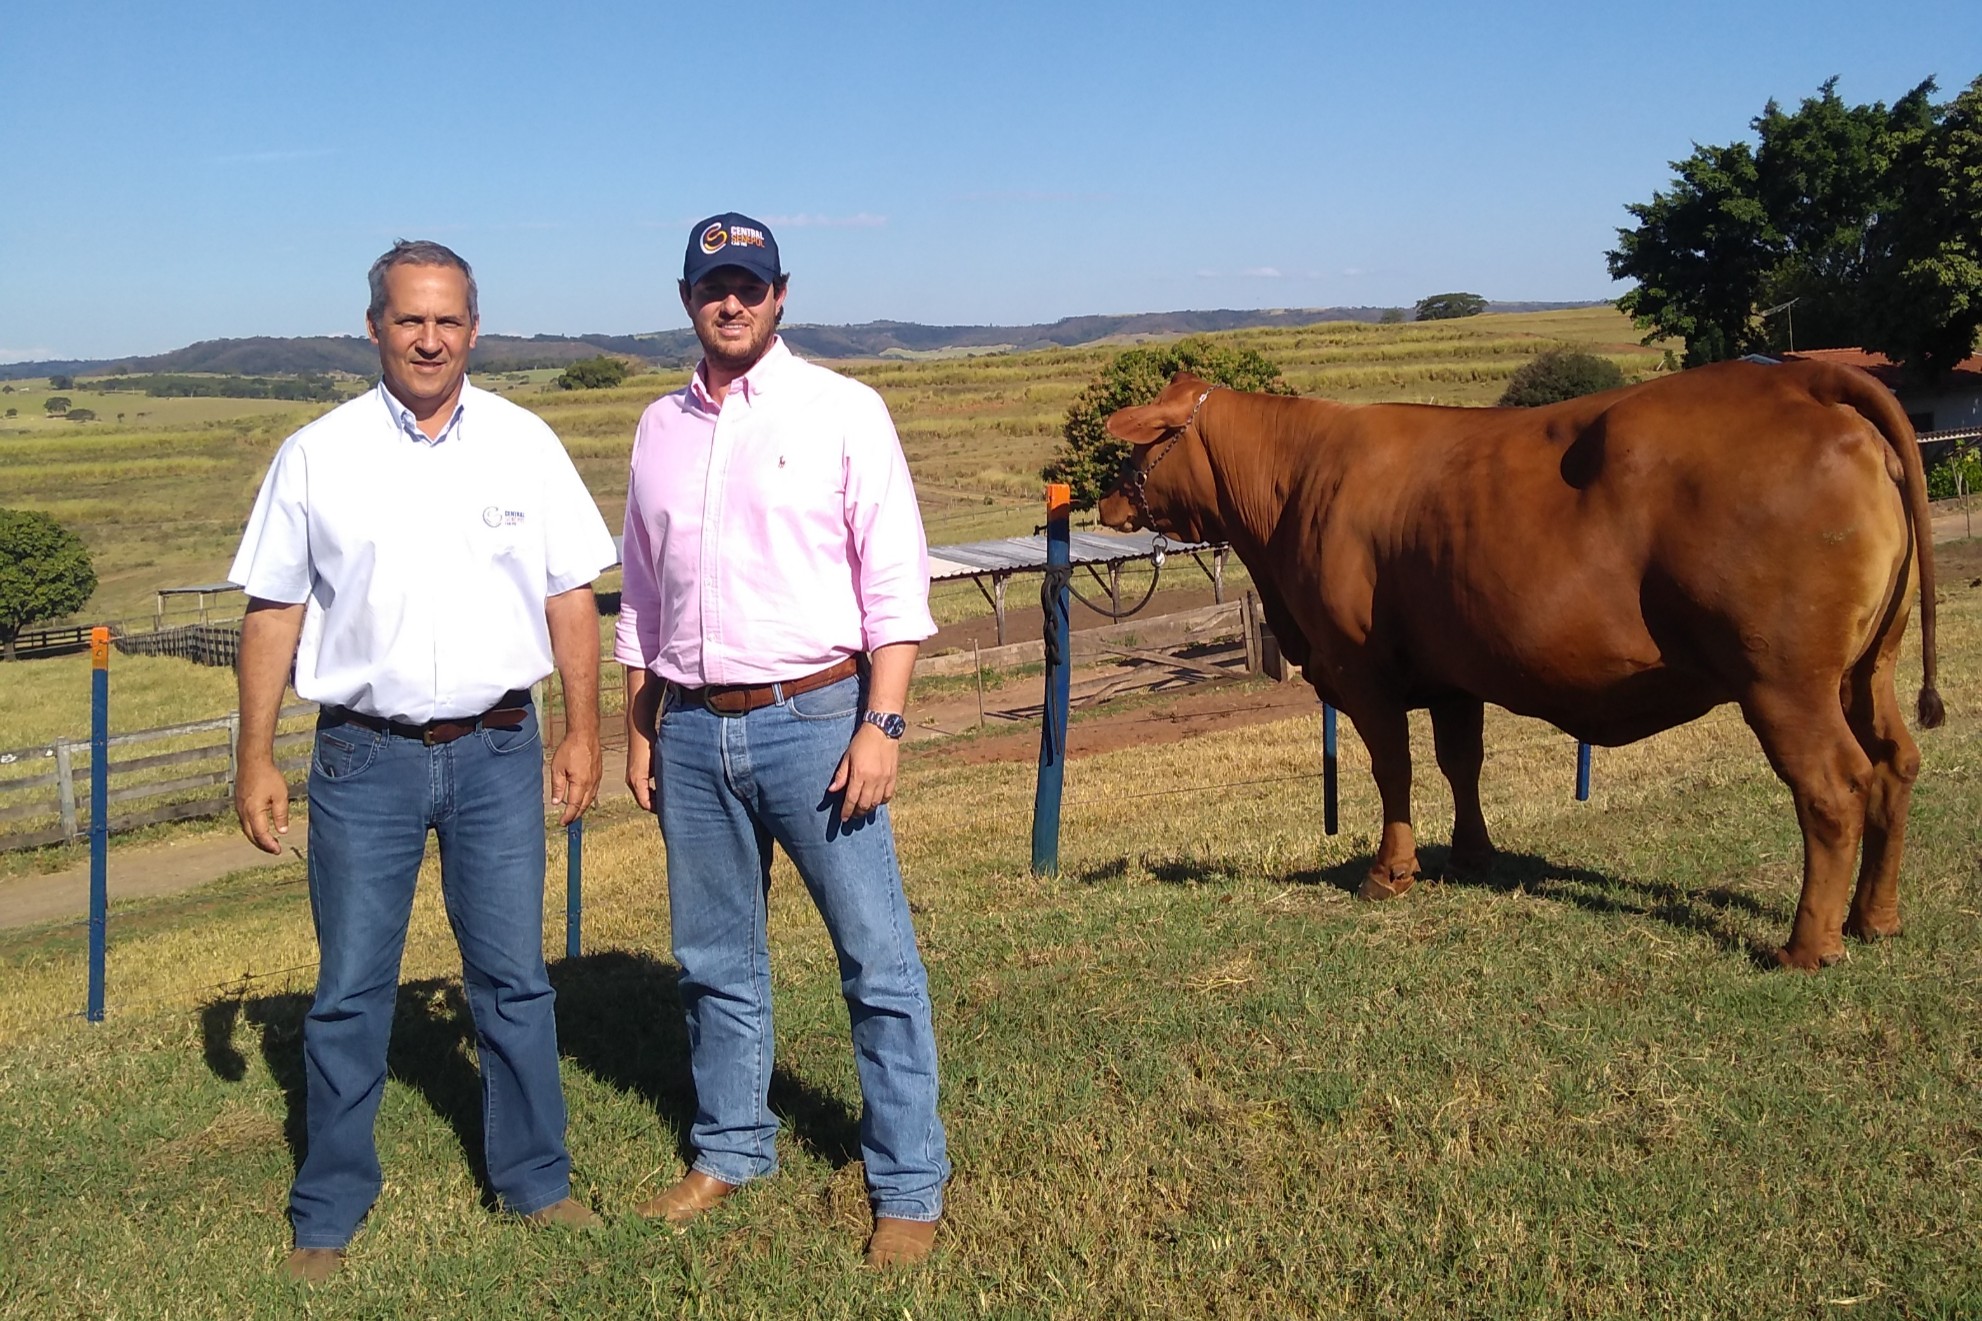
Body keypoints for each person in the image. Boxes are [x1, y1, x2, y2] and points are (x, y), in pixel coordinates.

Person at [230, 239, 618, 1283]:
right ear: (373, 328)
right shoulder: (317, 454)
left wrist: (584, 729)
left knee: (513, 981)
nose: (429, 339)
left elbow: (568, 594)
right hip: (365, 760)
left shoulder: (525, 444)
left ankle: (536, 1180)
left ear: (475, 329)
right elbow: (271, 609)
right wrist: (253, 755)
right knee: (353, 989)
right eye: (409, 319)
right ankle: (330, 1206)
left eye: (448, 321)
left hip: (499, 748)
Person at [617, 213, 950, 1267]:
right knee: (714, 958)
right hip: (689, 727)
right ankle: (730, 1148)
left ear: (780, 294)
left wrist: (880, 723)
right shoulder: (655, 427)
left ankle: (906, 1181)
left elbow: (894, 585)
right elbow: (638, 592)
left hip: (817, 719)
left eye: (748, 285)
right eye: (713, 285)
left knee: (874, 957)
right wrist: (639, 728)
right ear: (686, 298)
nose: (731, 301)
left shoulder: (844, 410)